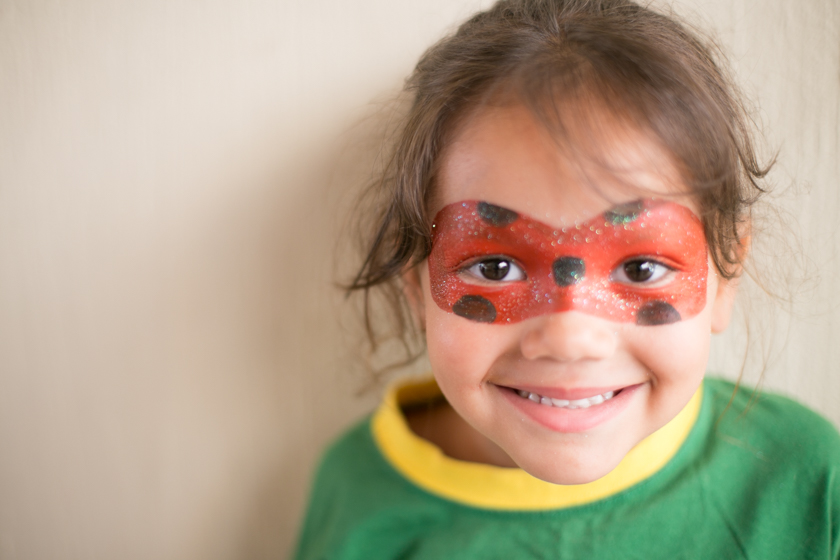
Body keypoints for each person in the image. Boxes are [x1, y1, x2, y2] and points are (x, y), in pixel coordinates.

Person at [294, 0, 840, 558]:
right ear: (414, 283)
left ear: (726, 273)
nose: (569, 336)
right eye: (495, 267)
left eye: (640, 268)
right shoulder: (358, 495)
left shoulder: (807, 480)